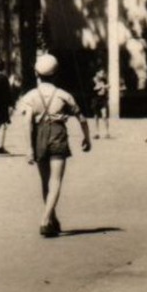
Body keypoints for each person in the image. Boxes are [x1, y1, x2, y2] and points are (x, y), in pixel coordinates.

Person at [15, 53, 91, 237]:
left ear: (36, 73)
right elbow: (82, 118)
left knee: (45, 181)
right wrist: (86, 138)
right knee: (56, 180)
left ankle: (52, 219)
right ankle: (45, 219)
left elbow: (26, 123)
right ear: (56, 74)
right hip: (58, 135)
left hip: (39, 136)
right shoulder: (64, 95)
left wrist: (29, 149)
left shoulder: (30, 96)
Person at [90, 68, 110, 139]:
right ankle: (96, 132)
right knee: (96, 116)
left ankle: (106, 132)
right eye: (101, 73)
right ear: (97, 73)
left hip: (103, 99)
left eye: (103, 73)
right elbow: (92, 89)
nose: (102, 75)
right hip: (95, 99)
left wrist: (106, 87)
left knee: (104, 116)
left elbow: (108, 86)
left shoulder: (104, 80)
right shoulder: (92, 80)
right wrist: (100, 87)